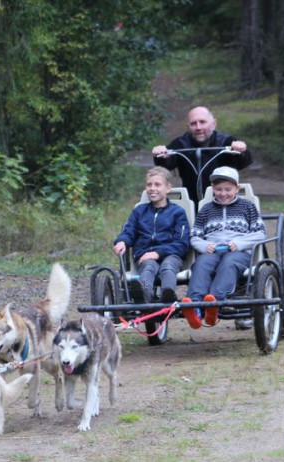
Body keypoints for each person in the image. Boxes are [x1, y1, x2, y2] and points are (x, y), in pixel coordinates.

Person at [180, 166, 265, 329]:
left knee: (229, 264)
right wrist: (205, 246)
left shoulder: (247, 207)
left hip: (238, 252)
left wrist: (239, 243)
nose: (223, 193)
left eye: (228, 189)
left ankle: (214, 303)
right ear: (213, 189)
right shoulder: (206, 209)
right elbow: (195, 236)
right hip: (212, 251)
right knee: (201, 264)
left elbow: (260, 233)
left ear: (237, 189)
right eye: (219, 189)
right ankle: (194, 306)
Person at [112, 167, 191, 304]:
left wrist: (158, 253)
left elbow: (182, 243)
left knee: (168, 266)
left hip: (171, 255)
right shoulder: (139, 211)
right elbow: (129, 231)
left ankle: (167, 297)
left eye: (157, 184)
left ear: (168, 188)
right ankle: (144, 297)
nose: (152, 188)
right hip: (145, 255)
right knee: (148, 266)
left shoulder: (178, 213)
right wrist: (122, 241)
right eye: (149, 185)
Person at [152, 106, 252, 203]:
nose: (198, 127)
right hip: (191, 201)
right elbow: (166, 166)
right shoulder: (180, 144)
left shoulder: (226, 142)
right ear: (188, 127)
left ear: (214, 124)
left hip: (223, 200)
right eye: (193, 123)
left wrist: (241, 151)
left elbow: (243, 162)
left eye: (202, 122)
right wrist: (161, 156)